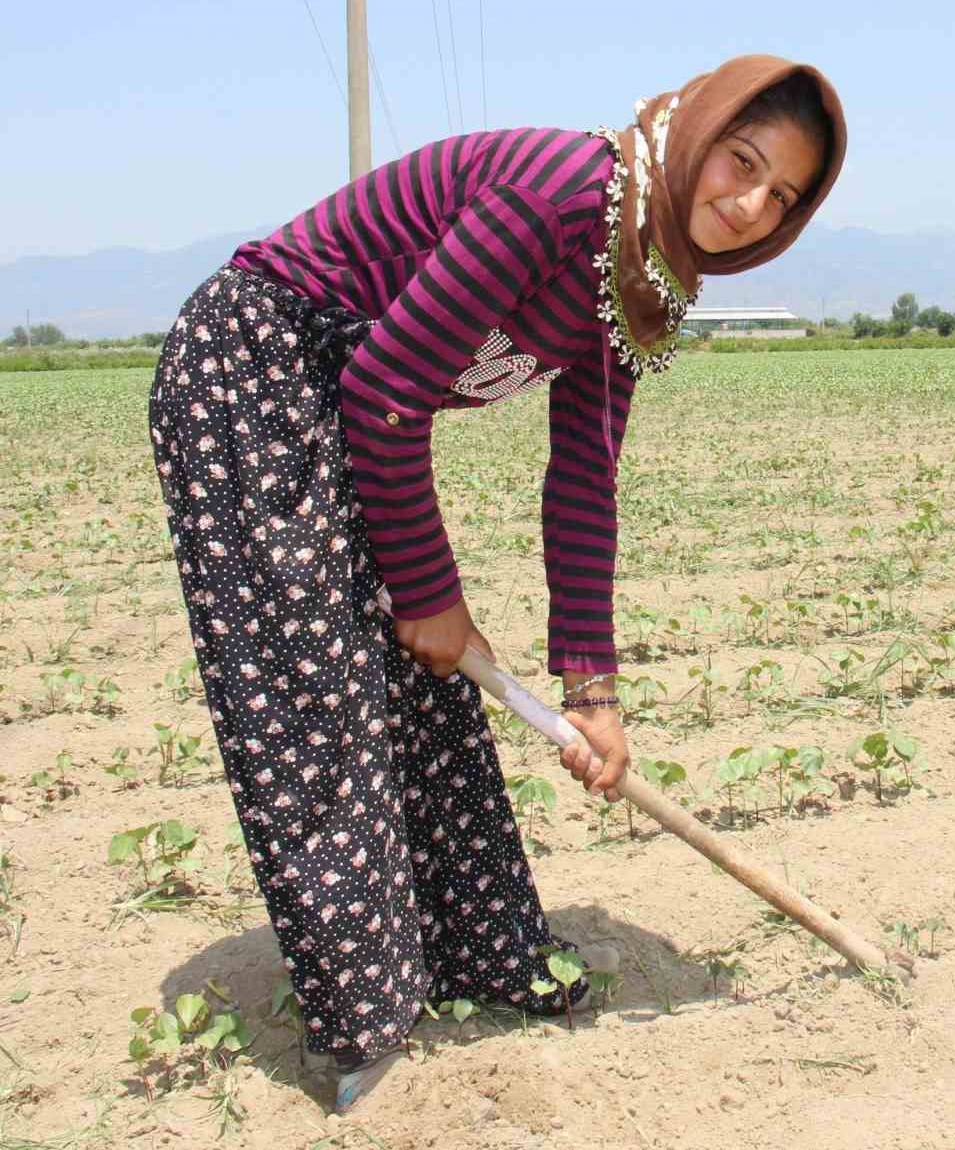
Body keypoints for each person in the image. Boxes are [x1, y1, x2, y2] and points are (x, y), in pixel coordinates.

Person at [147, 55, 845, 1109]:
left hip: (342, 391)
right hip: (256, 359)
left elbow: (582, 482)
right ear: (698, 132)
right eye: (740, 162)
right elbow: (387, 385)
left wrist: (593, 693)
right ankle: (366, 1026)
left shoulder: (644, 277)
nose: (747, 204)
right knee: (320, 690)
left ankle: (487, 955)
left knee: (429, 688)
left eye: (780, 195)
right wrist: (429, 592)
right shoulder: (564, 197)